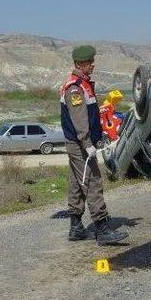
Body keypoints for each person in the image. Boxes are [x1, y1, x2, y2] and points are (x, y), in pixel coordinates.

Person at [60, 45, 128, 244]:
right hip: (80, 144)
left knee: (76, 182)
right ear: (79, 64)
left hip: (78, 143)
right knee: (92, 182)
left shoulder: (82, 84)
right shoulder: (75, 88)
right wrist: (87, 143)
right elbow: (79, 119)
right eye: (89, 62)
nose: (92, 65)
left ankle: (76, 227)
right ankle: (103, 228)